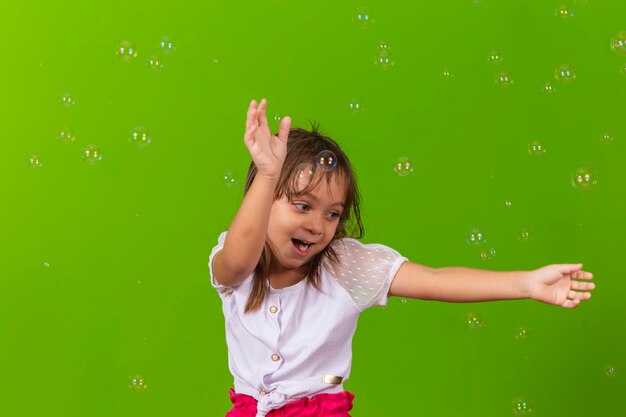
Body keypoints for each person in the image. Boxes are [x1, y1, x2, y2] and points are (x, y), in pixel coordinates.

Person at [208, 98, 596, 417]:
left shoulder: (344, 266)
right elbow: (239, 261)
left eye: (332, 214)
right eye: (302, 205)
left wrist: (525, 283)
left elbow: (435, 279)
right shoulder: (238, 259)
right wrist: (267, 172)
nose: (317, 225)